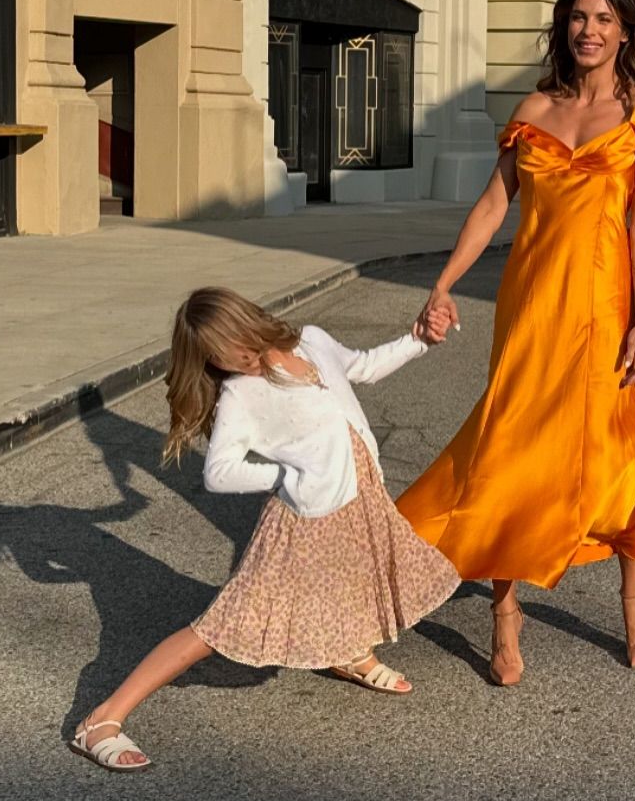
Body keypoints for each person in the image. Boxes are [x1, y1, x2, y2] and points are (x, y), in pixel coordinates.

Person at [395, 0, 635, 686]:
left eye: (605, 20)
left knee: (619, 455)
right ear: (563, 28)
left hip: (605, 311)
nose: (590, 31)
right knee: (510, 455)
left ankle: (633, 593)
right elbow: (493, 205)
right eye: (579, 18)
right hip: (532, 312)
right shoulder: (533, 110)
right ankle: (505, 612)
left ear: (625, 31)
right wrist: (444, 283)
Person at [70, 288, 459, 772]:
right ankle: (103, 719)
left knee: (355, 574)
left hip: (359, 496)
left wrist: (418, 340)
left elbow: (362, 366)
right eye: (218, 356)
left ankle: (348, 651)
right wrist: (288, 476)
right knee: (221, 626)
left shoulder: (311, 342)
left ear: (249, 322)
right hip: (301, 519)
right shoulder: (239, 393)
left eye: (236, 344)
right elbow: (219, 471)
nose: (235, 359)